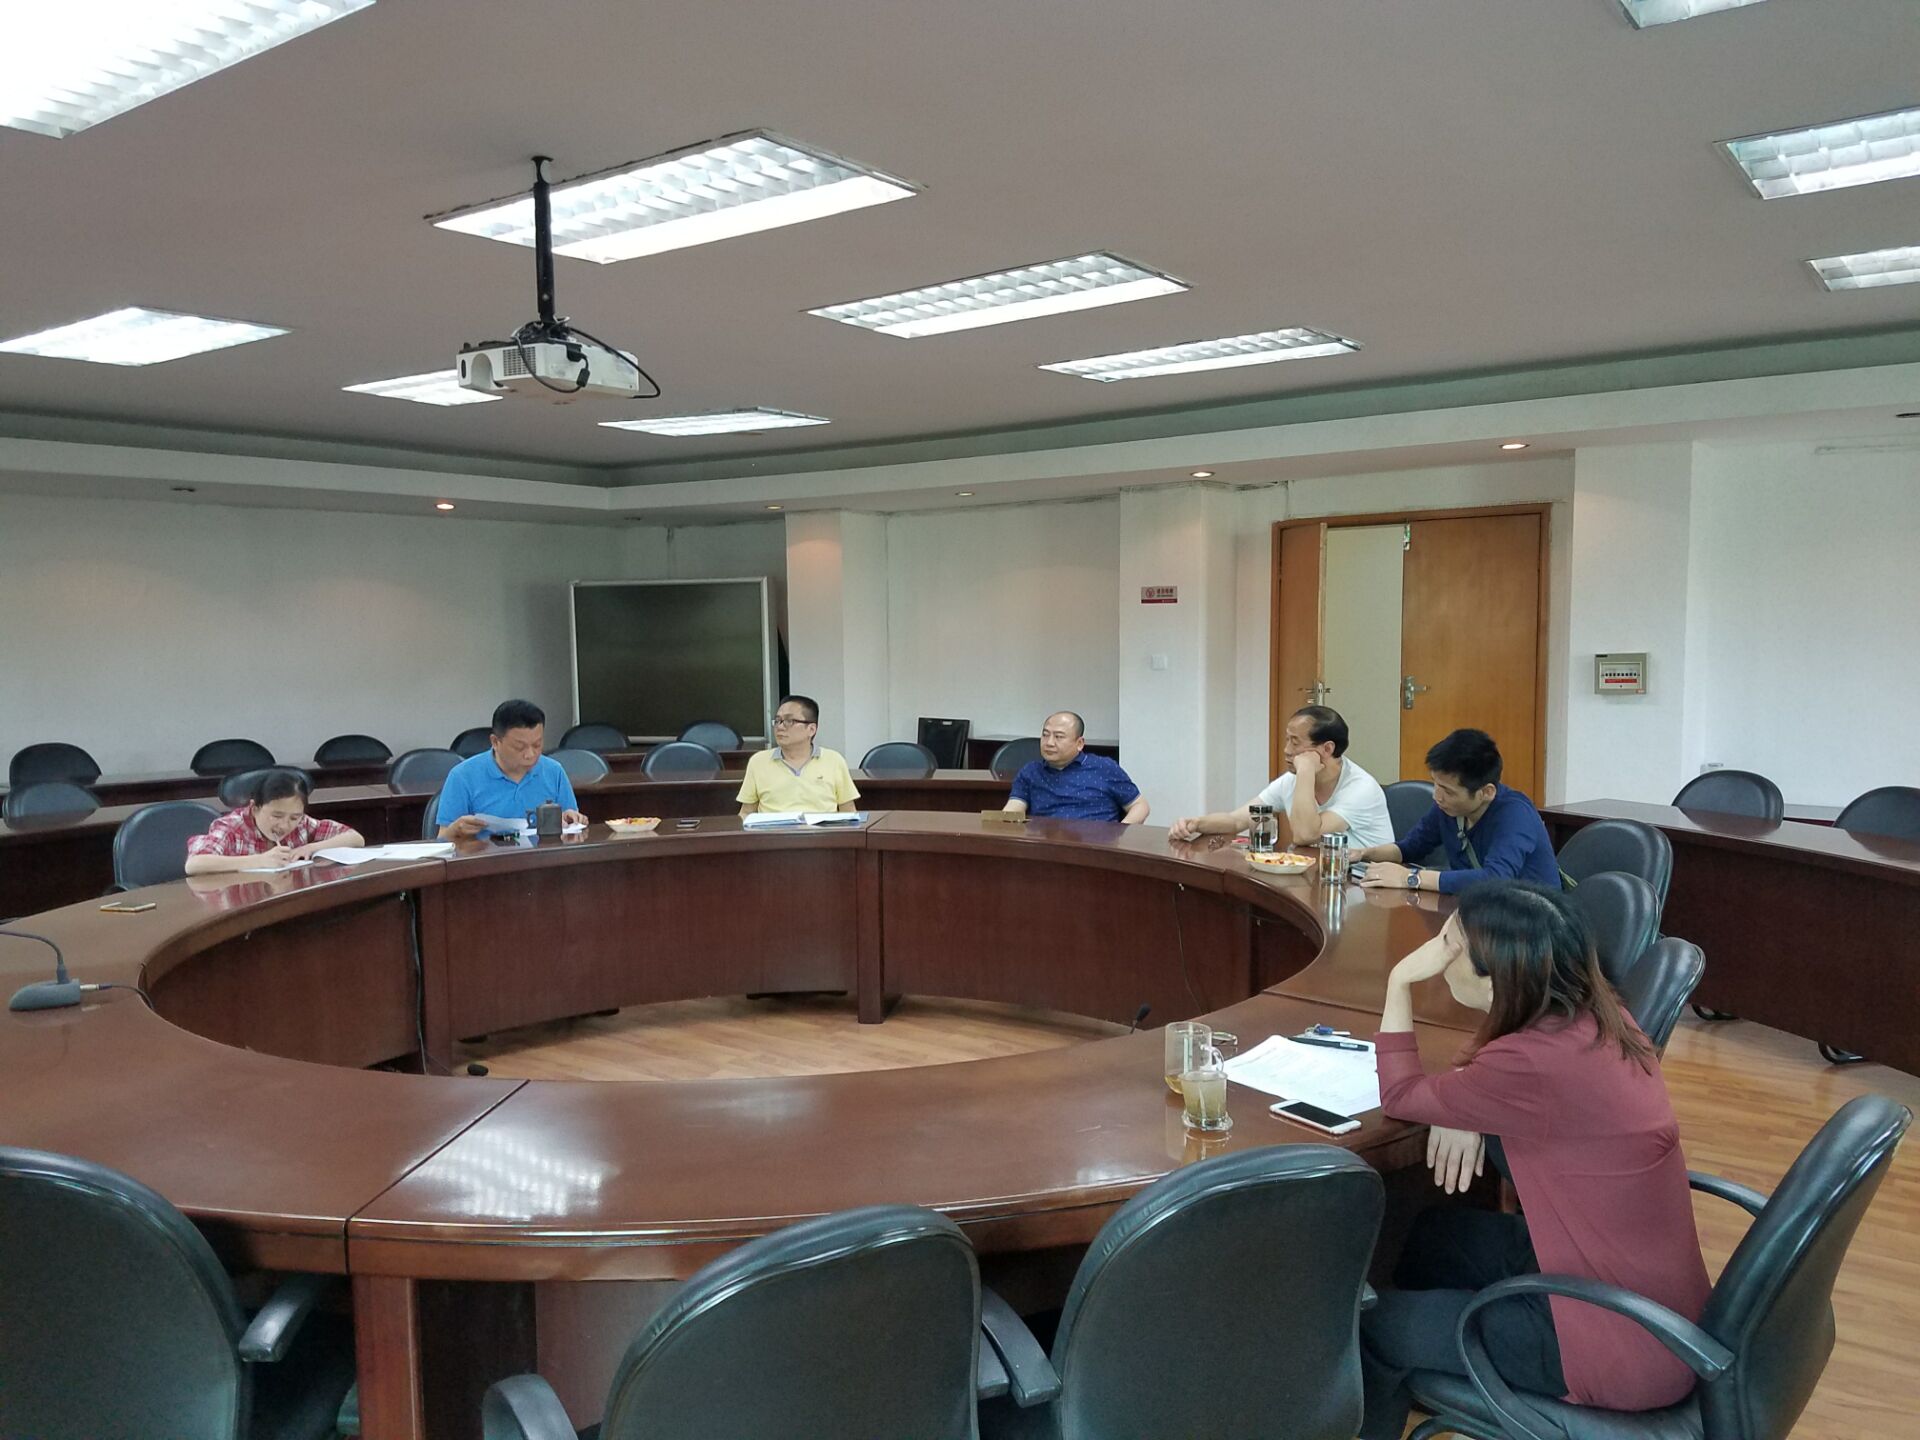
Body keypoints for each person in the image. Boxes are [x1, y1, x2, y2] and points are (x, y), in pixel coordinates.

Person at [1358, 880, 1710, 1438]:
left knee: (1373, 1328)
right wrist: (1466, 1105)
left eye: (1450, 945)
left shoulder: (1529, 1064)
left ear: (1496, 979)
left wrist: (1399, 980)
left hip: (1613, 1343)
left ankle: (1410, 1369)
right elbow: (1493, 1067)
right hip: (1642, 1300)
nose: (1439, 954)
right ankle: (1443, 1365)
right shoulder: (1599, 1015)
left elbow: (1401, 1095)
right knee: (1428, 1236)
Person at [1355, 728, 1559, 893]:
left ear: (1486, 792)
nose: (1437, 796)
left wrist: (1410, 878)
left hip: (1532, 919)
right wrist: (1362, 854)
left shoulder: (1515, 815)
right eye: (1436, 784)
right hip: (1478, 909)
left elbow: (1496, 879)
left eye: (1448, 791)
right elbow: (1409, 848)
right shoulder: (1447, 808)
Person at [1168, 705, 1392, 848]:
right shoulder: (1292, 780)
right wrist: (1196, 823)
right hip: (1321, 876)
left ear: (1327, 749)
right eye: (1287, 740)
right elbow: (1237, 820)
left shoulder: (1360, 788)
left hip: (1364, 885)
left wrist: (1306, 771)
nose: (1286, 750)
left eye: (1295, 742)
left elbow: (1305, 835)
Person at [436, 699, 588, 840]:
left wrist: (572, 820)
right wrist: (455, 830)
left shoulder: (554, 771)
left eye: (537, 745)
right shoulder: (462, 776)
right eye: (519, 747)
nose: (530, 755)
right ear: (495, 742)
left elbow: (572, 829)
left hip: (542, 856)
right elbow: (442, 839)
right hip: (487, 858)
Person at [185, 768, 364, 873]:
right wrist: (259, 861)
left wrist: (310, 848)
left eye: (294, 817)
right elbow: (195, 864)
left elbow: (355, 838)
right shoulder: (231, 826)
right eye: (277, 816)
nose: (285, 825)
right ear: (255, 808)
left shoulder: (302, 824)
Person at [1003, 712, 1149, 824]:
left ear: (1079, 743)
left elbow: (1140, 806)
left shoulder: (1104, 768)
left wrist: (1120, 833)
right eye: (1045, 735)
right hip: (1046, 845)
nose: (1049, 743)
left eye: (1059, 737)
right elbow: (1014, 807)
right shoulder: (1031, 771)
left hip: (1096, 846)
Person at [737, 695, 861, 816]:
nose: (780, 727)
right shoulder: (759, 761)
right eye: (778, 721)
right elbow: (746, 813)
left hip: (822, 829)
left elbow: (849, 811)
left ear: (811, 729)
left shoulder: (834, 760)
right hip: (773, 829)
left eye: (789, 721)